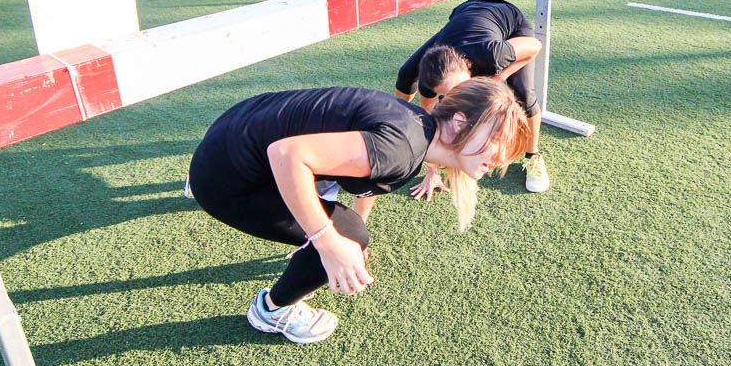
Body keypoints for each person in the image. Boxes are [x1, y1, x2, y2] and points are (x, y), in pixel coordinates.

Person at [186, 78, 531, 344]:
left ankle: (208, 172)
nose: (502, 156)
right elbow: (287, 155)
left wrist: (350, 237)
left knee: (351, 232)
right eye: (496, 139)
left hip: (227, 134)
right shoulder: (401, 149)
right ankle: (272, 310)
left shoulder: (414, 124)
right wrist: (331, 242)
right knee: (346, 236)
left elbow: (357, 178)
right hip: (224, 180)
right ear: (458, 123)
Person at [394, 0, 549, 193]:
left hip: (508, 20)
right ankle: (398, 127)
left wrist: (499, 78)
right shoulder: (429, 79)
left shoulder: (493, 55)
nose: (460, 96)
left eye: (460, 87)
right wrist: (433, 171)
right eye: (449, 94)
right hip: (464, 13)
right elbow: (430, 123)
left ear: (467, 68)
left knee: (523, 93)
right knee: (407, 74)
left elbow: (535, 46)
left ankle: (533, 156)